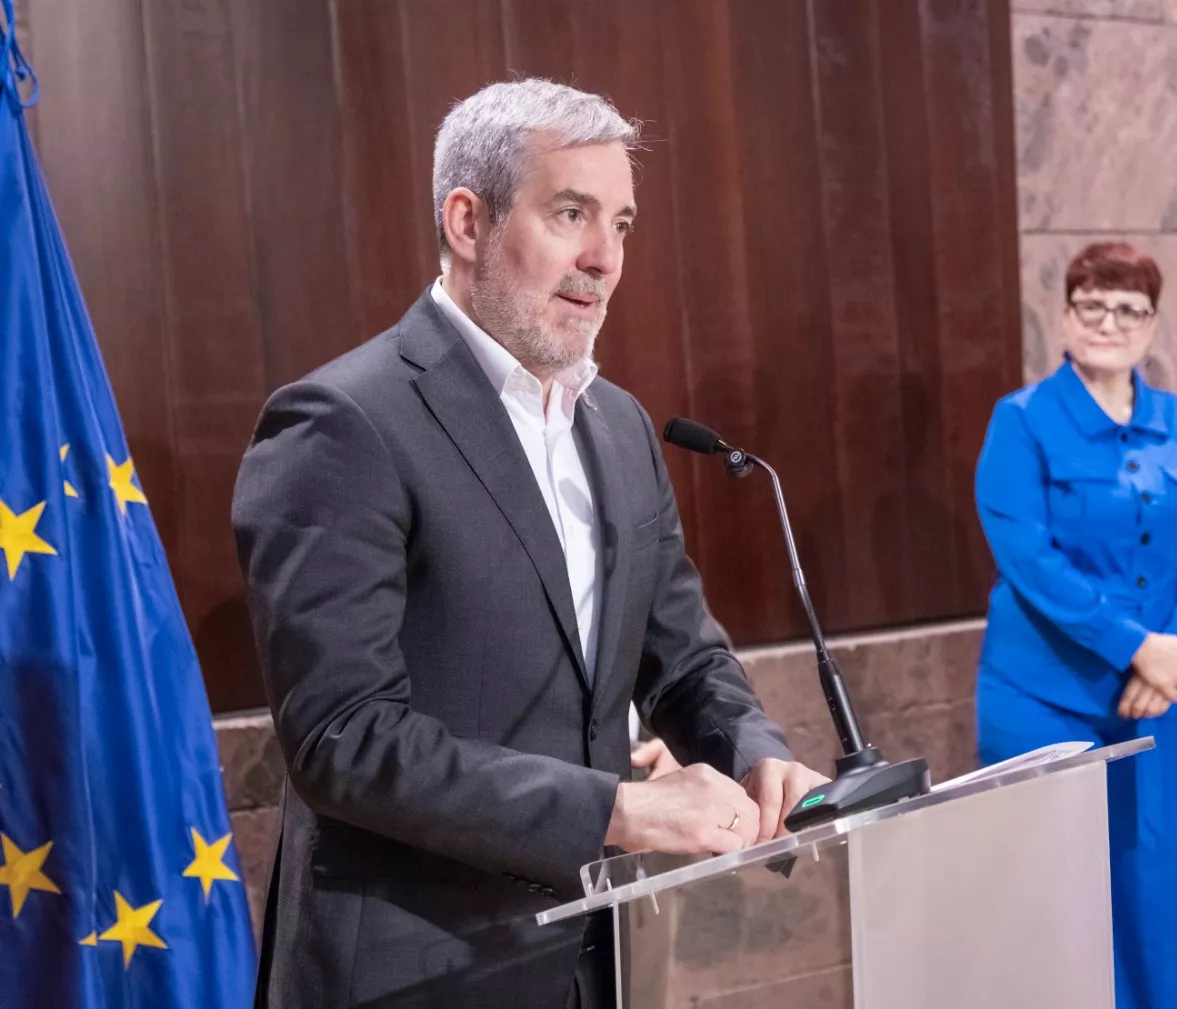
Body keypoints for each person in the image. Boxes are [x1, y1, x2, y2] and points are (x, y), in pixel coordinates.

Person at [232, 78, 826, 1009]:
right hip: (414, 970)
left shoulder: (620, 427)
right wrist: (619, 808)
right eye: (571, 214)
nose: (605, 258)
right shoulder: (342, 423)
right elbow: (344, 736)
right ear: (467, 221)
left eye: (622, 225)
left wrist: (753, 750)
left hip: (596, 959)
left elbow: (681, 658)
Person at [973, 242, 1177, 1009]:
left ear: (1151, 324)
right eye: (1092, 304)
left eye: (1129, 309)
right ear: (1065, 316)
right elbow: (1029, 558)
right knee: (1054, 899)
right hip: (1042, 699)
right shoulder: (1021, 420)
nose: (1109, 321)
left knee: (1155, 887)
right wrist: (1139, 647)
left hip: (1164, 699)